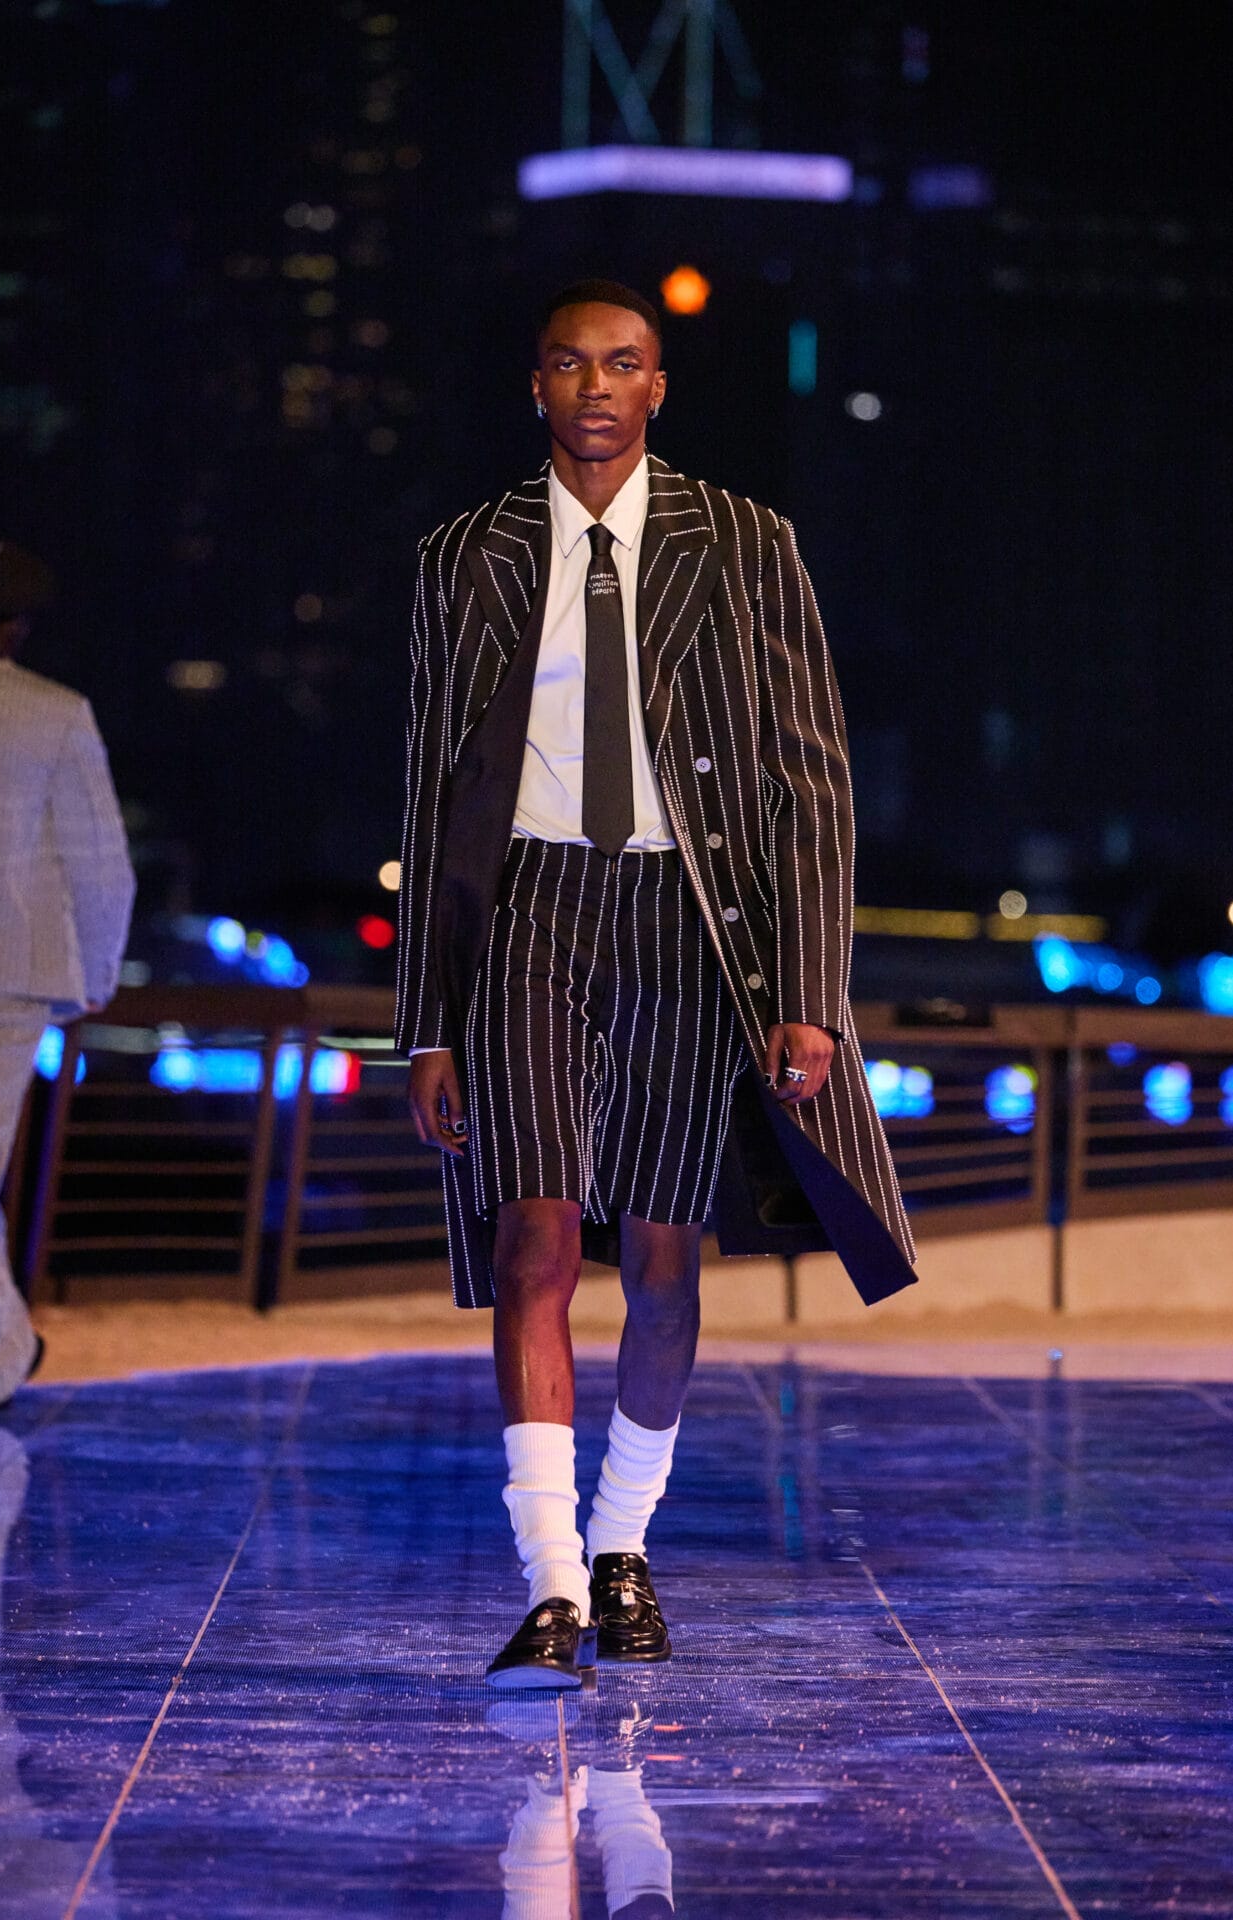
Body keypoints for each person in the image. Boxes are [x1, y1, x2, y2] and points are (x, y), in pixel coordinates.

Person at [398, 279, 916, 1689]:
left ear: (658, 387)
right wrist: (426, 1024)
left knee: (665, 1259)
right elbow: (433, 795)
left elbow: (813, 781)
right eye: (569, 363)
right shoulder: (466, 556)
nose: (595, 387)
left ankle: (623, 1546)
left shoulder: (746, 543)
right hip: (530, 911)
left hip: (692, 920)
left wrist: (807, 990)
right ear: (535, 385)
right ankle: (551, 1582)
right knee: (534, 1238)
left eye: (622, 363)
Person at [0, 535, 134, 1407]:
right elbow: (100, 866)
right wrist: (96, 971)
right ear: (14, 624)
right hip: (7, 971)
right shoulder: (54, 714)